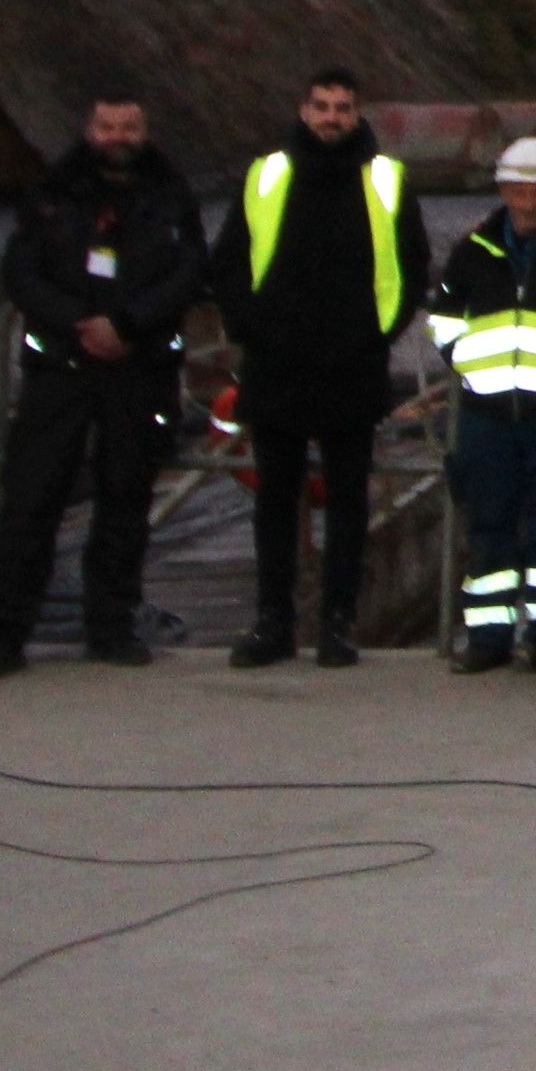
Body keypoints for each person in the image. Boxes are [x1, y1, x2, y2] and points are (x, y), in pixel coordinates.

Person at [0, 91, 203, 673]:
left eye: (129, 126)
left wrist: (128, 323)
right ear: (89, 127)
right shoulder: (51, 193)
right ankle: (2, 631)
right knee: (31, 499)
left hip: (141, 366)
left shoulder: (172, 196)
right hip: (62, 368)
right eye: (107, 125)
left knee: (125, 500)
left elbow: (191, 272)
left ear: (144, 129)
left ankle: (112, 625)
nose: (117, 136)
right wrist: (79, 323)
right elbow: (20, 272)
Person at [209, 65, 426, 670]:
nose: (333, 117)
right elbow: (227, 263)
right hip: (277, 366)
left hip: (352, 366)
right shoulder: (266, 174)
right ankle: (273, 623)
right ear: (303, 111)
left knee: (350, 502)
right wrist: (251, 330)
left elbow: (412, 265)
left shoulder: (386, 178)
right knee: (275, 501)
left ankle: (338, 625)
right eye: (323, 106)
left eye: (344, 107)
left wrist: (380, 333)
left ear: (357, 115)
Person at [422, 137, 536, 670]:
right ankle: (488, 638)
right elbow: (443, 319)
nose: (529, 202)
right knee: (488, 521)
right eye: (520, 190)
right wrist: (468, 360)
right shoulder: (472, 249)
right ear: (504, 190)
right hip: (487, 413)